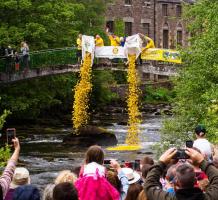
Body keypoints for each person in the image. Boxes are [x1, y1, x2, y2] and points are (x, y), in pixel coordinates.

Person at [144, 147, 218, 200]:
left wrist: (162, 162)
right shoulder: (210, 197)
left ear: (176, 182)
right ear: (195, 180)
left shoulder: (167, 198)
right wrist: (202, 162)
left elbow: (149, 186)